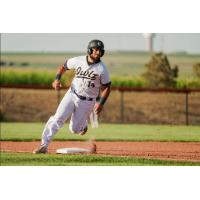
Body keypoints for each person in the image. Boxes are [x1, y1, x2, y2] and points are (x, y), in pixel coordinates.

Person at [33, 39, 111, 154]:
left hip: (87, 101)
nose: (98, 53)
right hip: (72, 94)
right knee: (58, 118)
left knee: (74, 129)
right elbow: (63, 66)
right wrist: (56, 79)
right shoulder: (78, 60)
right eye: (96, 50)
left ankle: (82, 125)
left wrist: (101, 103)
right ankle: (43, 146)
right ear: (90, 50)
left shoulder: (102, 69)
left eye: (100, 50)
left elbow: (107, 87)